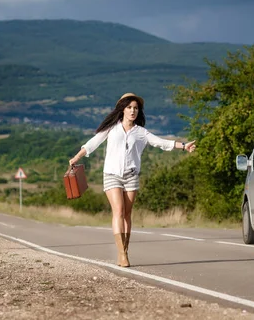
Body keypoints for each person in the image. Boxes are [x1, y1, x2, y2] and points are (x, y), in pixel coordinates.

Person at [68, 93, 196, 267]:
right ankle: (122, 254)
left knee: (127, 214)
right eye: (129, 107)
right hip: (112, 175)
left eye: (135, 108)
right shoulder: (111, 128)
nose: (133, 111)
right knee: (119, 212)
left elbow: (161, 142)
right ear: (122, 109)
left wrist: (183, 146)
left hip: (131, 176)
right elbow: (92, 143)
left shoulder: (141, 132)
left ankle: (125, 251)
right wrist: (76, 157)